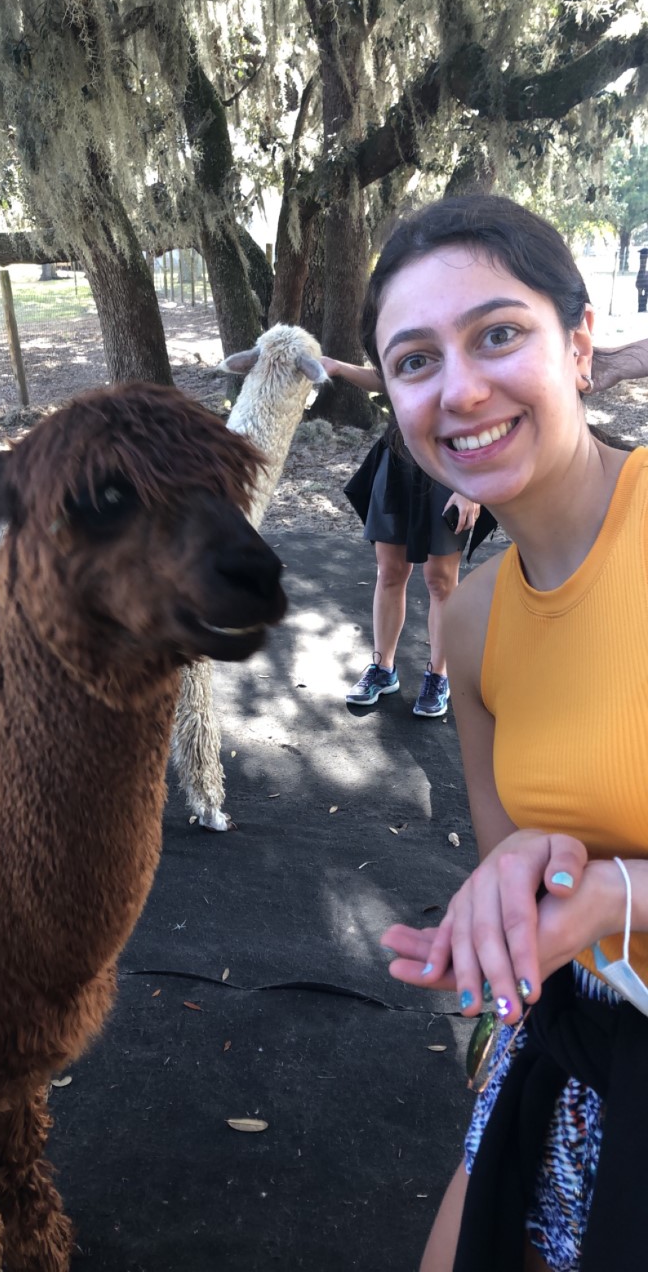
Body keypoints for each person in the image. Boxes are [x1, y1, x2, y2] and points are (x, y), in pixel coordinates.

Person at [358, 194, 648, 1272]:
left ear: (578, 342)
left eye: (498, 333)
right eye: (416, 359)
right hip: (588, 1054)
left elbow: (603, 898)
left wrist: (618, 892)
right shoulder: (469, 621)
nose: (461, 388)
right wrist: (517, 887)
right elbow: (522, 907)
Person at [320, 356, 483, 716]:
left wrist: (470, 488)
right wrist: (337, 367)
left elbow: (479, 409)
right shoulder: (410, 327)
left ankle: (439, 674)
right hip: (396, 461)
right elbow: (387, 378)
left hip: (448, 464)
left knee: (440, 581)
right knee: (390, 571)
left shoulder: (459, 334)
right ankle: (383, 668)